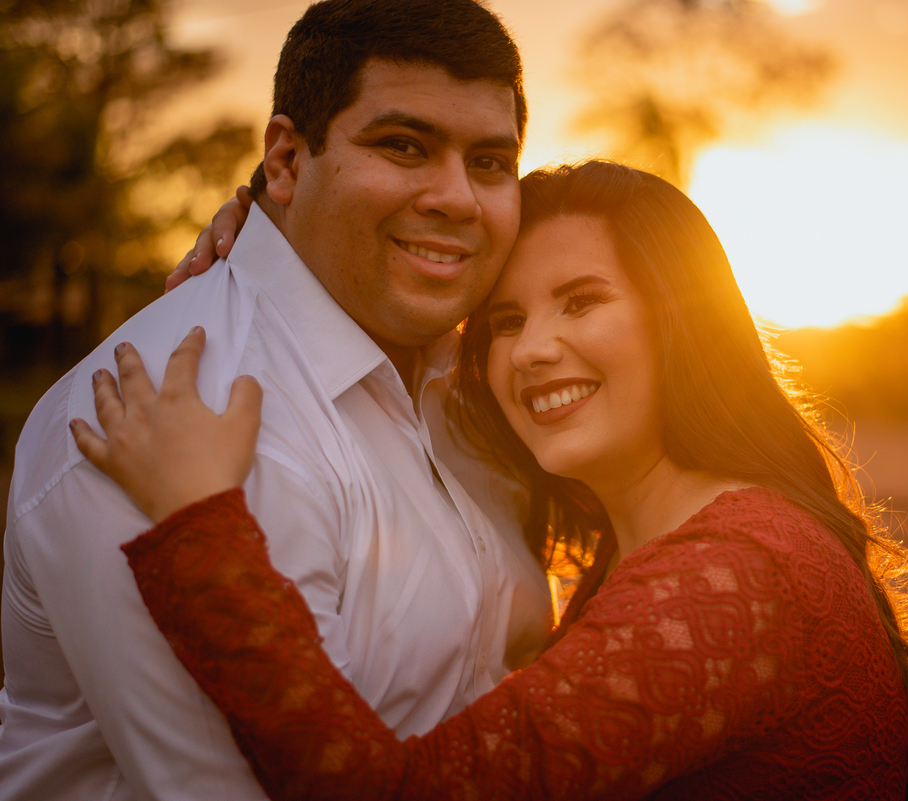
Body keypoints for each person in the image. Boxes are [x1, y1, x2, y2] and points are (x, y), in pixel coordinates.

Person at [73, 161, 908, 800]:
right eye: (504, 320)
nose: (532, 347)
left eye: (582, 300)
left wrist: (199, 521)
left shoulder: (742, 573)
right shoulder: (672, 540)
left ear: (682, 323)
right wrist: (271, 237)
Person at [0, 1, 554, 798]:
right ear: (287, 161)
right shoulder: (159, 415)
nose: (458, 198)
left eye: (492, 162)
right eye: (404, 145)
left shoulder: (478, 380)